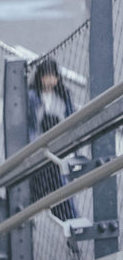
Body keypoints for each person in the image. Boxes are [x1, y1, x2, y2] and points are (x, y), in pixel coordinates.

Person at [27, 58, 78, 231]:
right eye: (46, 76)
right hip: (40, 151)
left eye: (52, 76)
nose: (49, 81)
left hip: (59, 151)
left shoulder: (63, 95)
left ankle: (72, 229)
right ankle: (26, 220)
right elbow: (30, 127)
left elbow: (72, 119)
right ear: (40, 77)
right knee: (37, 191)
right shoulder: (32, 96)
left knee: (62, 195)